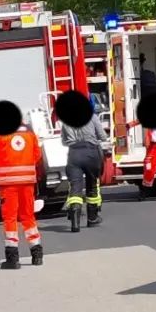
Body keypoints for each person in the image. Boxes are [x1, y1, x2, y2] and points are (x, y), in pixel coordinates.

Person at [0, 100, 43, 269]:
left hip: (8, 184)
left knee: (10, 219)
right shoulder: (29, 133)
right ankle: (37, 255)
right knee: (28, 217)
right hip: (27, 182)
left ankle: (12, 258)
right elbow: (37, 155)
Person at [57, 89, 107, 233]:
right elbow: (102, 137)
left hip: (74, 154)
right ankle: (92, 218)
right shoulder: (92, 117)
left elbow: (64, 141)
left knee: (75, 186)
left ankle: (75, 222)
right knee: (92, 185)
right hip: (91, 152)